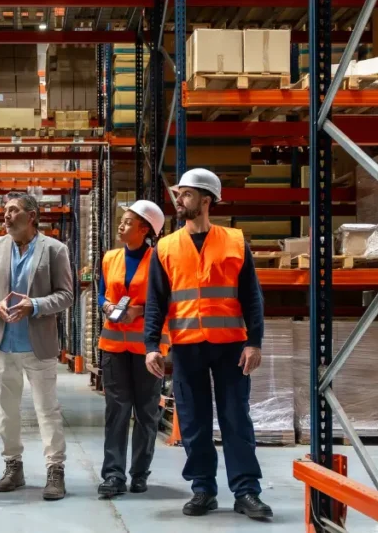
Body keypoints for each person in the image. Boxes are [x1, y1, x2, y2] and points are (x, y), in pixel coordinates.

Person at [143, 169, 272, 520]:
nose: (179, 200)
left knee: (236, 420)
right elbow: (156, 301)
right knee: (195, 421)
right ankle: (203, 489)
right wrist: (152, 345)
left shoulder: (234, 241)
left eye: (185, 194)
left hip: (231, 346)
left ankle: (246, 491)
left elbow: (252, 298)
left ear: (205, 199)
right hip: (186, 346)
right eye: (179, 194)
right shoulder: (166, 247)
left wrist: (254, 342)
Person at [0, 191, 74, 501]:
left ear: (31, 216)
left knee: (47, 411)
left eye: (13, 210)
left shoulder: (55, 250)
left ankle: (55, 471)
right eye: (5, 210)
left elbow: (66, 295)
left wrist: (36, 305)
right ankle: (13, 466)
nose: (5, 216)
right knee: (5, 411)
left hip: (38, 345)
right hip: (2, 344)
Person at [96, 200, 170, 497]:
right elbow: (102, 291)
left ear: (144, 229)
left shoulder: (159, 260)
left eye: (127, 222)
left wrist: (138, 311)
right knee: (116, 411)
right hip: (113, 345)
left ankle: (139, 473)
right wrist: (107, 305)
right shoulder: (110, 257)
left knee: (146, 412)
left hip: (147, 348)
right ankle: (113, 475)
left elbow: (167, 300)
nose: (121, 225)